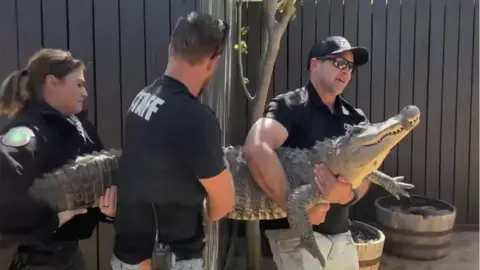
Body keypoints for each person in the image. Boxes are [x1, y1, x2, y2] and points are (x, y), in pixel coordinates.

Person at [111, 12, 236, 270]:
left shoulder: (143, 98)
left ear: (172, 48)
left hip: (132, 251)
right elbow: (222, 204)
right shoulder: (195, 118)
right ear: (213, 62)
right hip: (176, 256)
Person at [243, 36, 371, 269]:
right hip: (295, 238)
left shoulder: (356, 119)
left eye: (350, 67)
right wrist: (297, 211)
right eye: (339, 63)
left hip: (341, 233)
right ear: (315, 65)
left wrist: (348, 194)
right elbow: (256, 147)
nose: (346, 72)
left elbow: (368, 172)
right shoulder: (290, 106)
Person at [0, 48, 117, 270]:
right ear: (52, 82)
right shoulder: (26, 132)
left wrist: (106, 212)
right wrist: (56, 219)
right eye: (79, 84)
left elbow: (94, 188)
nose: (85, 93)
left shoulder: (78, 127)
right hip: (37, 260)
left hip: (68, 254)